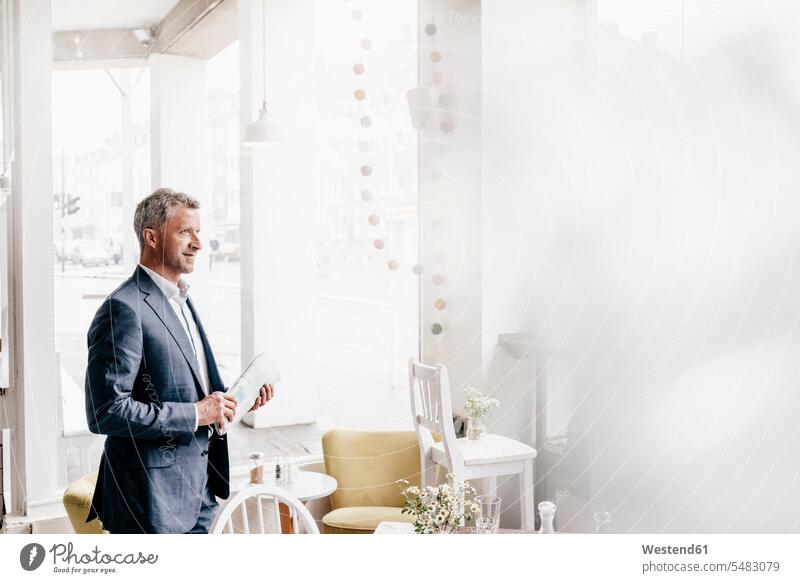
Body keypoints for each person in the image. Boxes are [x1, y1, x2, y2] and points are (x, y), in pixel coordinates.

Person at [84, 187, 273, 534]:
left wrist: (236, 403)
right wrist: (197, 414)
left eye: (198, 232)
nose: (198, 243)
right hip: (148, 502)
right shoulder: (122, 309)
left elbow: (191, 388)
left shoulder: (182, 299)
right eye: (186, 231)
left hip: (200, 491)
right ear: (151, 237)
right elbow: (105, 412)